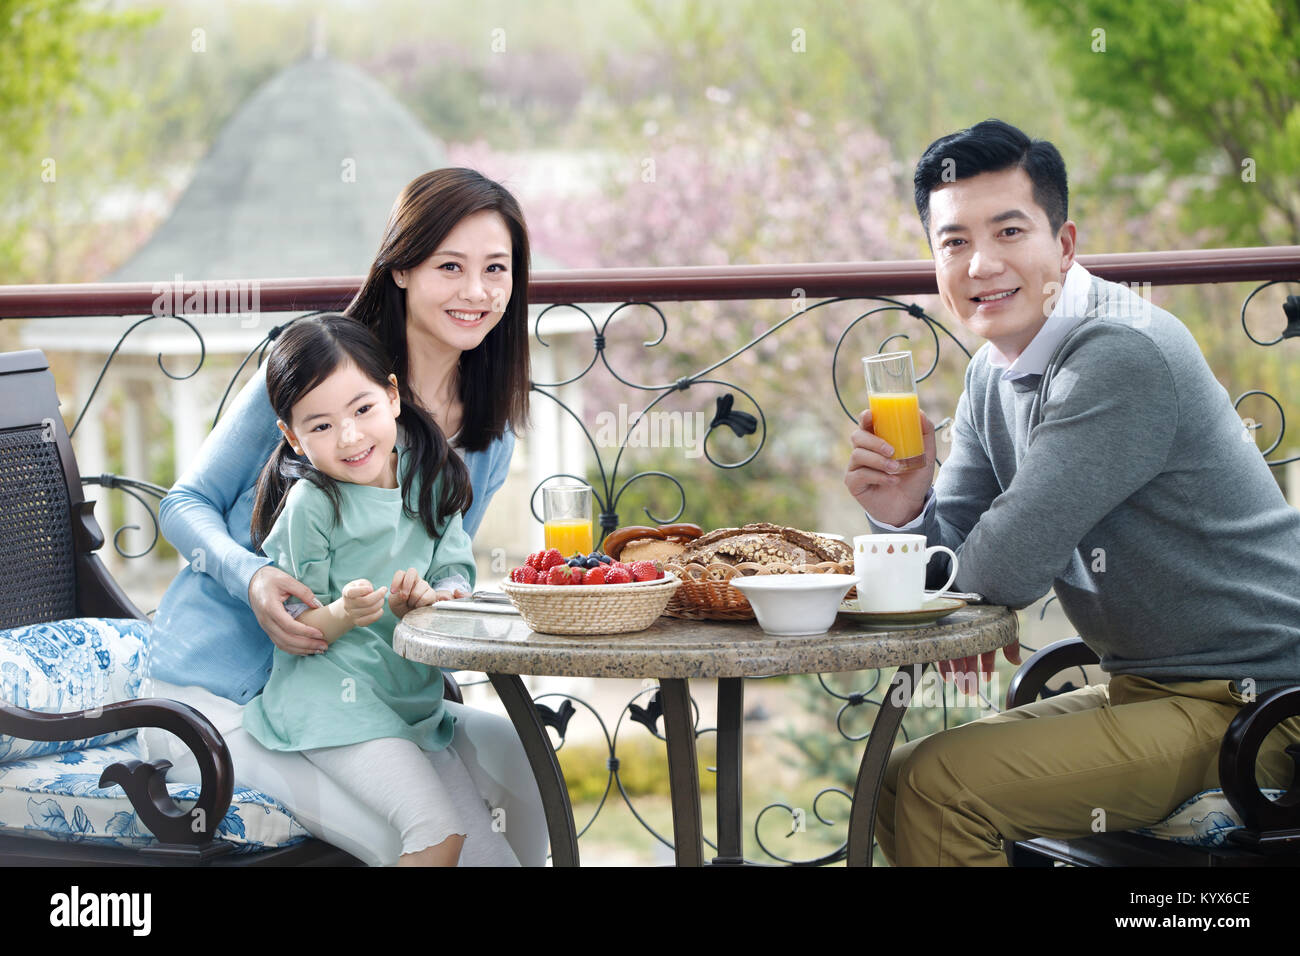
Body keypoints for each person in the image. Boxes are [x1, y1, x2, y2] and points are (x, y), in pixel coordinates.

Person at [844, 119, 1300, 866]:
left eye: (1009, 231)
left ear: (1063, 244)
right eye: (954, 242)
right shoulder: (992, 373)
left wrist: (955, 548)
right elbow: (951, 554)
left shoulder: (1121, 355)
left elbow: (1000, 571)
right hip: (1149, 689)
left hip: (1261, 704)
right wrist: (905, 510)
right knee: (893, 780)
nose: (981, 263)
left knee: (940, 786)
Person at [143, 169, 547, 867]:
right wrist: (255, 580)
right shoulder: (318, 370)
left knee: (525, 771)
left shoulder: (486, 437)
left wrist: (440, 597)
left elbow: (436, 580)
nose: (476, 292)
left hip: (365, 695)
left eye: (496, 270)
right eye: (449, 266)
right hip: (222, 696)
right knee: (440, 843)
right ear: (399, 267)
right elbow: (184, 505)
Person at [241, 314, 514, 866]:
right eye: (319, 426)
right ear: (292, 437)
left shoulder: (431, 474)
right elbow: (298, 628)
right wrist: (343, 612)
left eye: (362, 409)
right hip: (331, 705)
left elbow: (456, 573)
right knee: (438, 835)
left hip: (409, 702)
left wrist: (435, 599)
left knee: (492, 855)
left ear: (392, 396)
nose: (349, 437)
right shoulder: (312, 505)